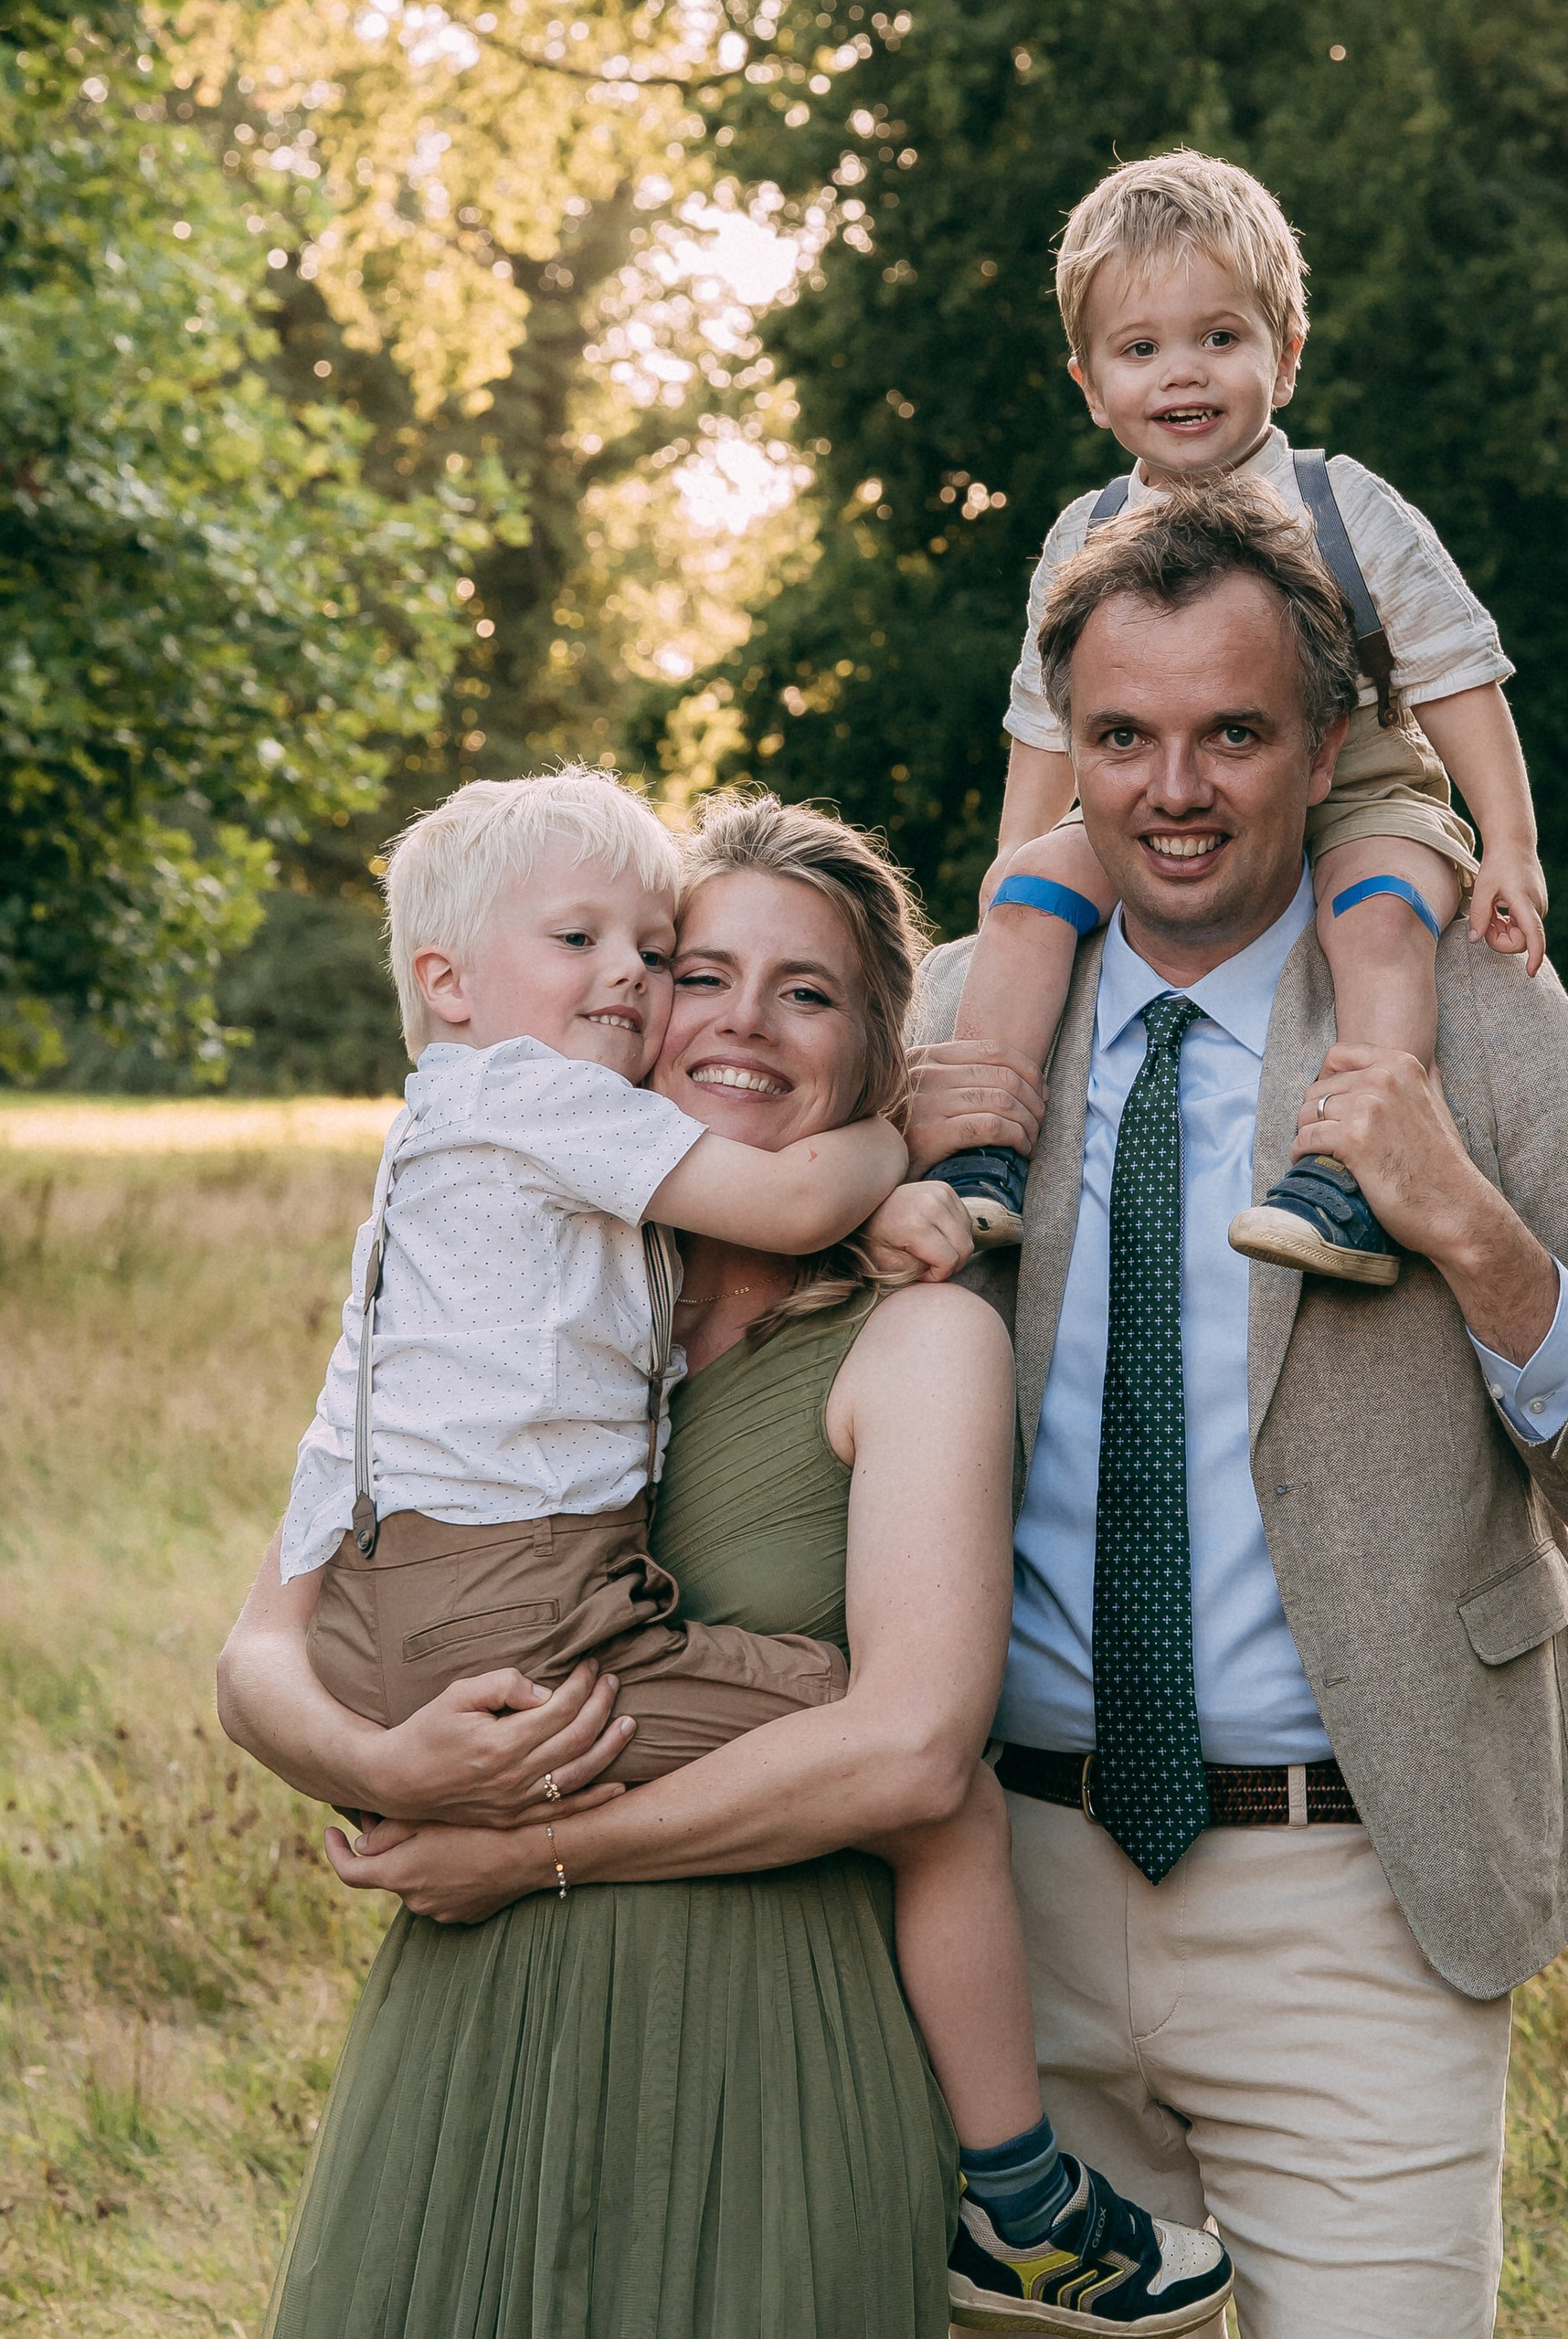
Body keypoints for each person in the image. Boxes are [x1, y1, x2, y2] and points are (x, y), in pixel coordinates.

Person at [219, 794, 1229, 2338]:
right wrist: (388, 1762)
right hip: (481, 2028)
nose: (738, 1020)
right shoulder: (532, 1285)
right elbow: (261, 1652)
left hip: (767, 2034)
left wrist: (528, 1848)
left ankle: (1007, 2197)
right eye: (701, 973)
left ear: (872, 1045)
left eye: (807, 991)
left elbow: (907, 1752)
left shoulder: (914, 1336)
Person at [905, 478, 1568, 2339]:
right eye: (1118, 736)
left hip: (1358, 1900)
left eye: (1231, 733)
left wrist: (1468, 1229)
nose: (1171, 788)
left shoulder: (1479, 1029)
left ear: (1329, 741)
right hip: (986, 1913)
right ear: (1066, 747)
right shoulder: (951, 1034)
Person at [927, 149, 1547, 1287]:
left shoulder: (1342, 505)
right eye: (1142, 348)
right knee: (1021, 908)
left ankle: (1353, 1176)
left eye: (1221, 338)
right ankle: (981, 1149)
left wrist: (1506, 842)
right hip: (1161, 804)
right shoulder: (1084, 534)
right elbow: (1047, 714)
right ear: (1088, 380)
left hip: (1361, 789)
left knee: (1375, 924)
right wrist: (1020, 850)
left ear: (1286, 355)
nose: (1184, 374)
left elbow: (1459, 669)